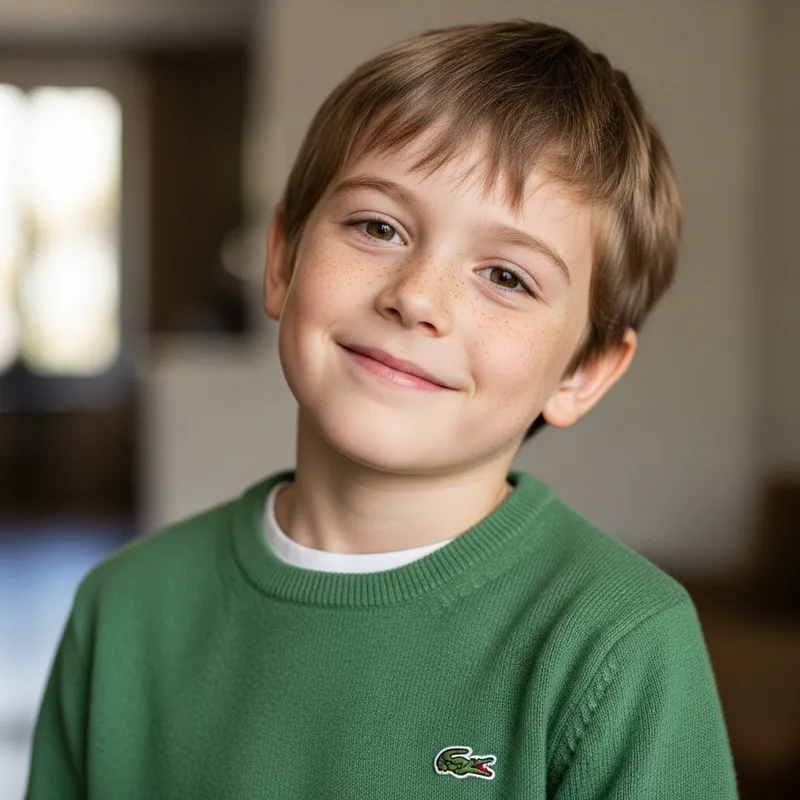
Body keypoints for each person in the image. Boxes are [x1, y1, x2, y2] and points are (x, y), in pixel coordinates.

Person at [26, 20, 738, 799]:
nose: (417, 298)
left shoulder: (620, 643)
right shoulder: (124, 611)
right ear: (282, 259)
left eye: (507, 276)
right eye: (378, 227)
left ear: (585, 371)